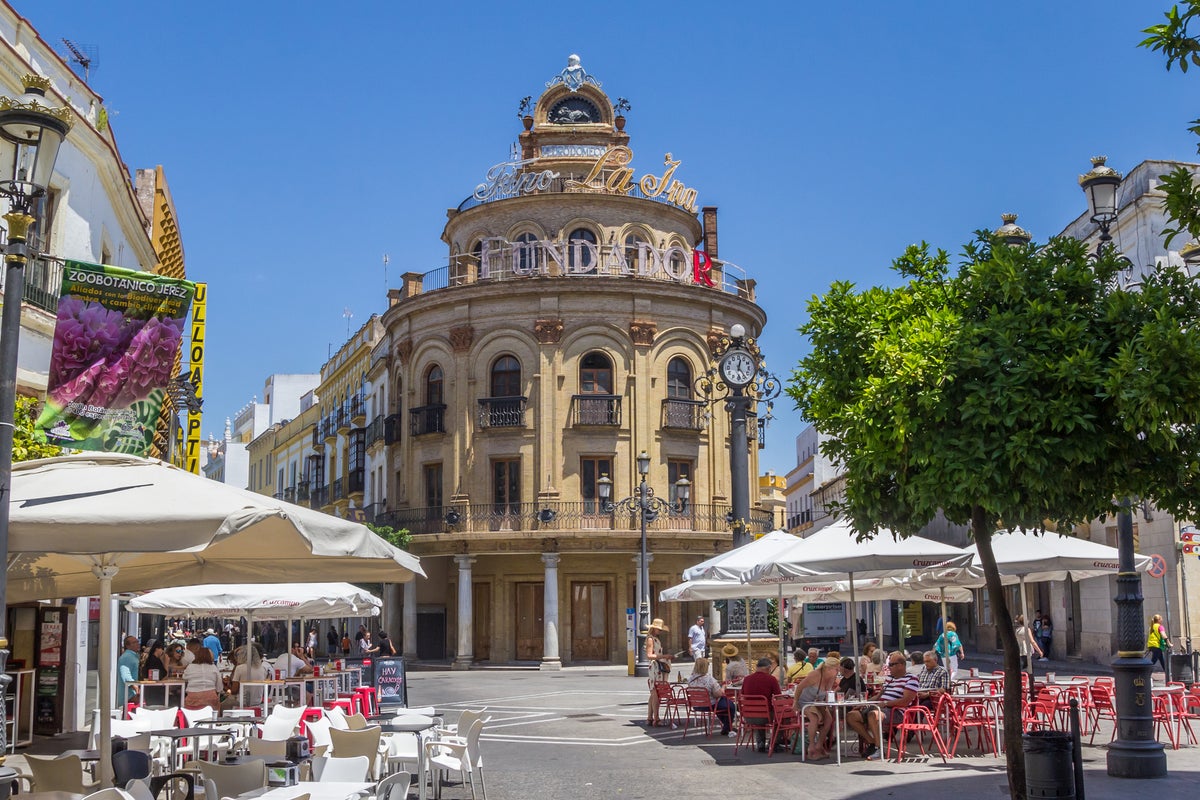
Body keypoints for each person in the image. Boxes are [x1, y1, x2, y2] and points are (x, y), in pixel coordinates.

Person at [846, 650, 919, 760]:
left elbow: (905, 701)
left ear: (901, 665)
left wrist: (885, 704)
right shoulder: (889, 678)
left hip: (897, 712)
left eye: (891, 665)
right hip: (881, 708)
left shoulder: (911, 679)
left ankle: (878, 749)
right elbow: (879, 696)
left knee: (873, 715)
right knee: (851, 716)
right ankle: (873, 743)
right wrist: (864, 703)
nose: (888, 667)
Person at [792, 659, 841, 760]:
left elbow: (827, 692)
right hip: (804, 701)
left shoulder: (831, 677)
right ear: (828, 668)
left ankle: (819, 744)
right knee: (814, 719)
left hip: (817, 701)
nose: (838, 671)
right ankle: (811, 746)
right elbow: (799, 687)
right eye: (836, 669)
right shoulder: (815, 675)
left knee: (829, 719)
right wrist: (795, 702)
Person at [740, 658, 782, 752]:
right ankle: (775, 742)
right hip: (765, 715)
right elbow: (778, 697)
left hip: (748, 716)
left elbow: (743, 694)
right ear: (768, 668)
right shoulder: (771, 679)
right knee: (782, 717)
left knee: (761, 712)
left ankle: (760, 742)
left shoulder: (747, 679)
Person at [686, 657, 736, 736]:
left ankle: (727, 726)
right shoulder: (709, 679)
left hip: (696, 705)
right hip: (709, 705)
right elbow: (718, 694)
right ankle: (727, 727)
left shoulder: (690, 679)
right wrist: (723, 687)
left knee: (722, 705)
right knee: (730, 706)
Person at [644, 618, 672, 726]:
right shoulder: (650, 639)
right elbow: (649, 655)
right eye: (659, 629)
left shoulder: (655, 639)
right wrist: (664, 656)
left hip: (657, 667)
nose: (660, 631)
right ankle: (656, 717)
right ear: (654, 628)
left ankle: (650, 717)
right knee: (655, 692)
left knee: (653, 693)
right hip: (655, 667)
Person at [230, 644, 271, 709]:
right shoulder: (262, 669)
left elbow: (234, 690)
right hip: (257, 701)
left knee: (223, 704)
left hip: (241, 702)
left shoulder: (240, 668)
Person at [182, 647, 222, 711]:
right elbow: (219, 687)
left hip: (192, 697)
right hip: (210, 698)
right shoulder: (213, 667)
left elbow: (184, 678)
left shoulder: (190, 667)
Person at [117, 636, 141, 711]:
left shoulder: (133, 655)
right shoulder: (127, 657)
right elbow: (125, 675)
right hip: (129, 694)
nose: (137, 644)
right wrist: (135, 686)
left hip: (131, 692)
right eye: (134, 642)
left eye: (137, 642)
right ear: (127, 645)